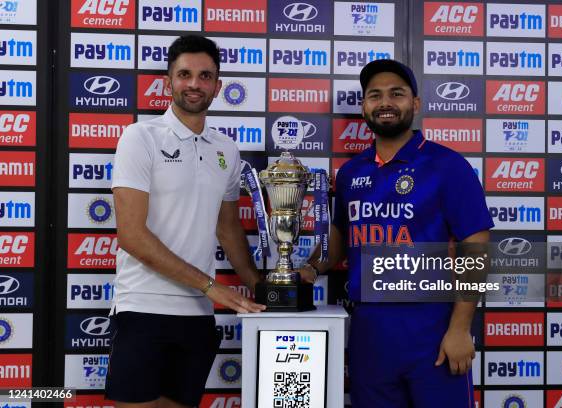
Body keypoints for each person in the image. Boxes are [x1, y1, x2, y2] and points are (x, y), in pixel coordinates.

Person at [300, 60, 494, 407]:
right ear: (364, 106)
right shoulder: (349, 174)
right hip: (369, 329)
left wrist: (460, 328)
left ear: (415, 104)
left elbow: (475, 247)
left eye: (397, 94)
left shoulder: (448, 166)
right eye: (374, 95)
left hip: (432, 327)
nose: (385, 102)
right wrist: (309, 269)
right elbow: (342, 236)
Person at [105, 35, 265, 408]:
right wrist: (211, 286)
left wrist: (258, 286)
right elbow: (131, 235)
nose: (194, 84)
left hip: (197, 315)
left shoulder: (226, 148)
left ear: (218, 86)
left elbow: (227, 227)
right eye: (185, 74)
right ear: (168, 82)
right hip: (143, 308)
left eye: (205, 75)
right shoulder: (139, 137)